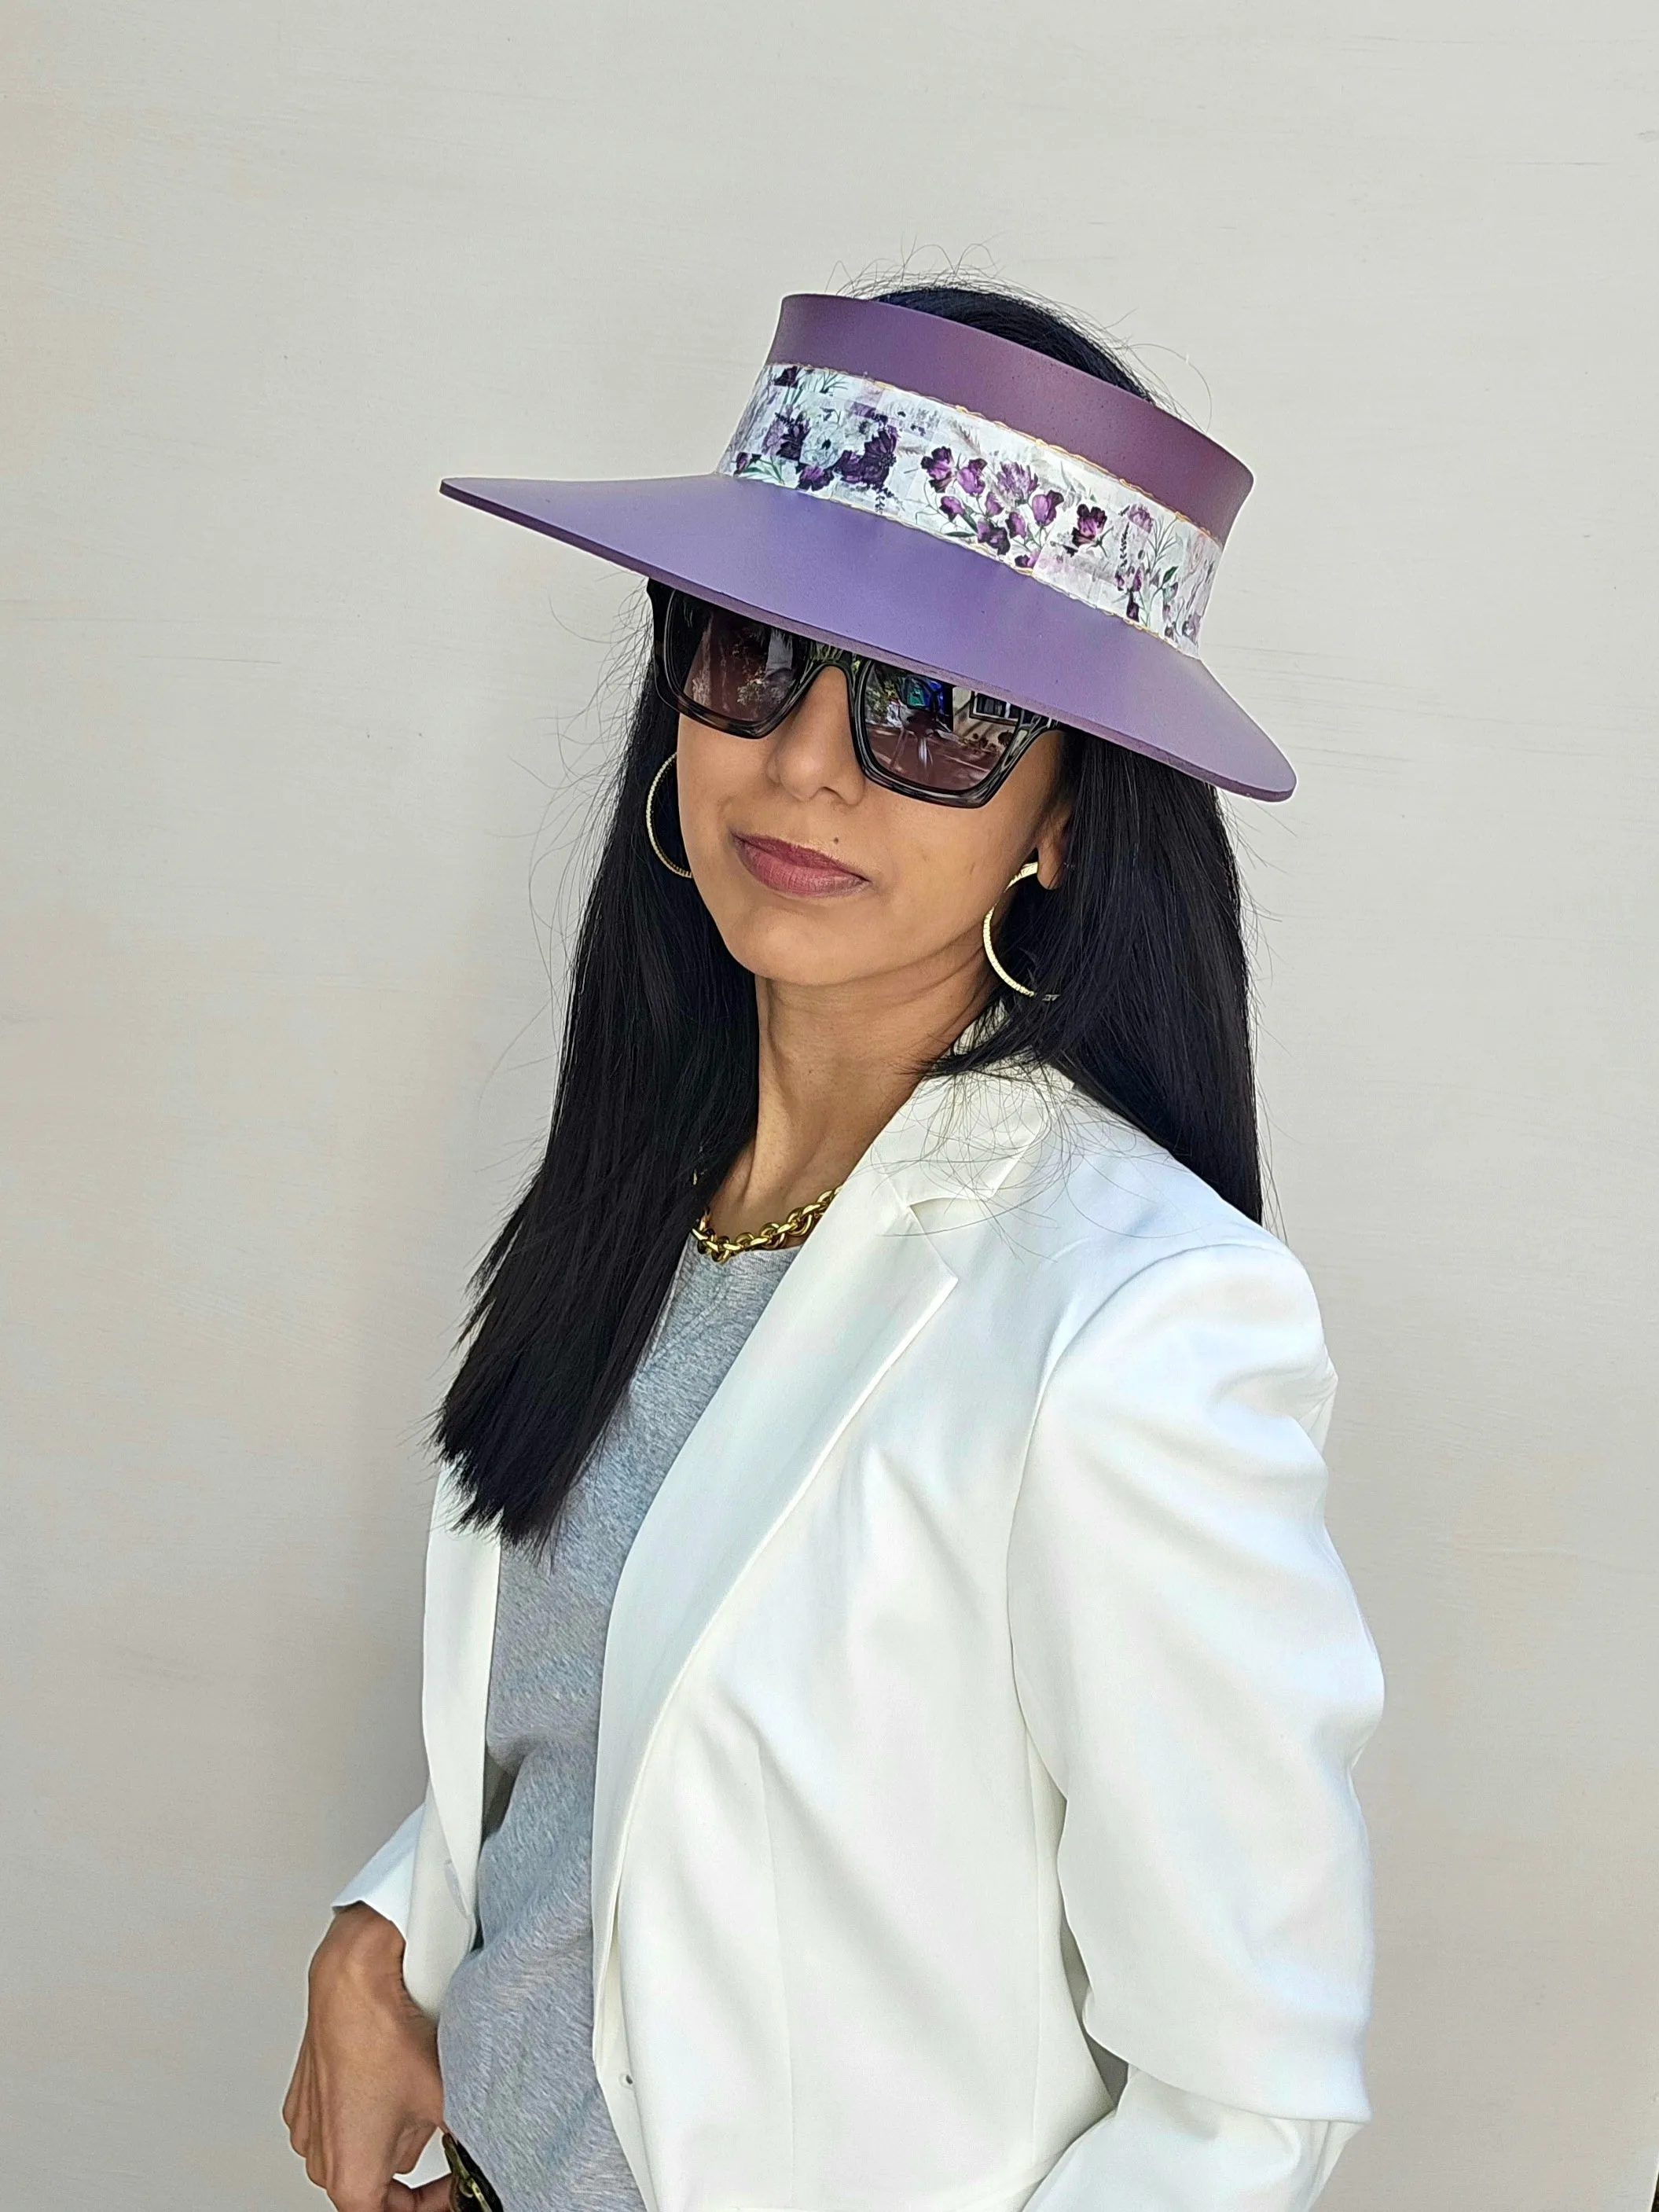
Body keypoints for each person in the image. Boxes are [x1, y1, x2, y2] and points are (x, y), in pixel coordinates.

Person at [284, 282, 1385, 2212]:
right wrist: (384, 1937)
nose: (806, 763)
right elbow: (609, 1709)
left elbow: (1244, 2096)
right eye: (755, 657)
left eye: (937, 713)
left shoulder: (1135, 1320)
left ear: (1064, 818)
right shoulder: (642, 1198)